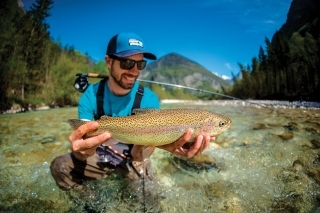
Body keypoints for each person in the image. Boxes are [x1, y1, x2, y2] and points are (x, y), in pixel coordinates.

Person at [50, 32, 214, 191]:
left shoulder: (149, 99)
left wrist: (160, 144)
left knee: (150, 200)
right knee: (60, 167)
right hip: (100, 154)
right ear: (108, 61)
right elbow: (84, 139)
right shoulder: (90, 96)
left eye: (140, 64)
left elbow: (138, 154)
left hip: (133, 158)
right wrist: (82, 152)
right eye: (127, 63)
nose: (135, 71)